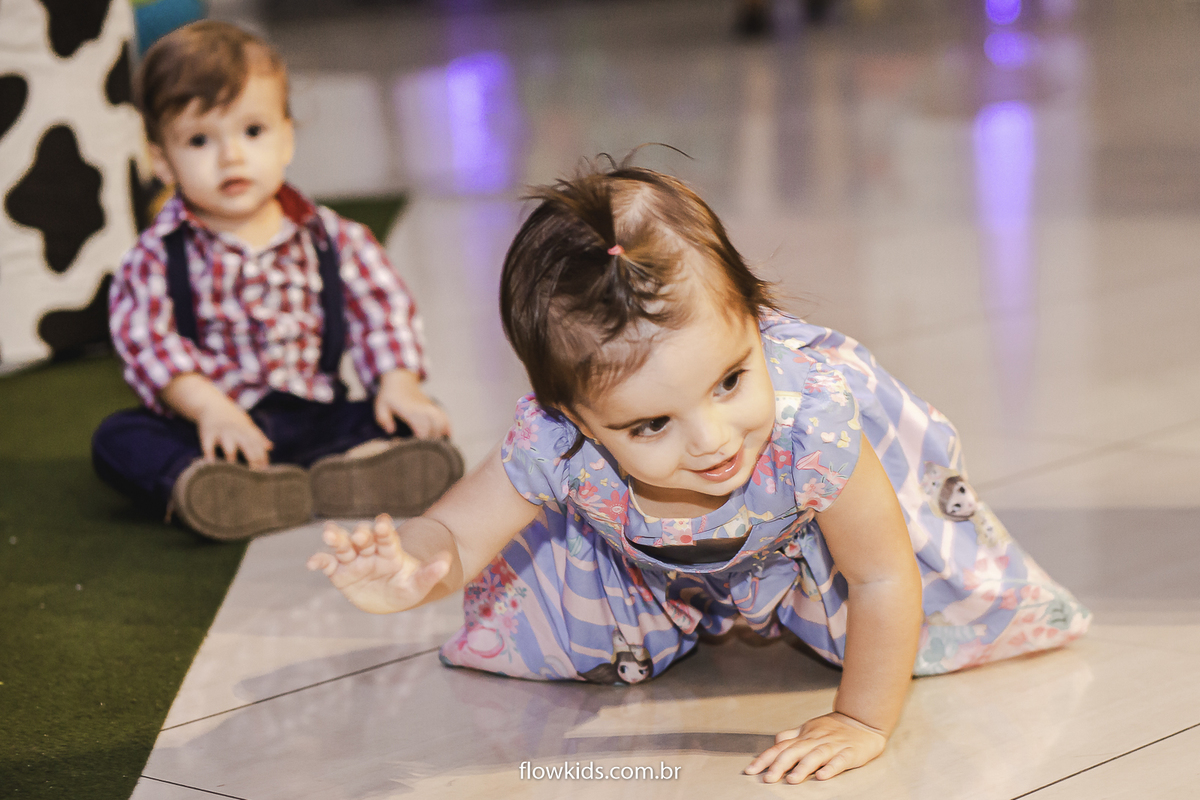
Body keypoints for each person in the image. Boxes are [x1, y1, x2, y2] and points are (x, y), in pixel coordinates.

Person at [308, 163, 1090, 783]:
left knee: (915, 621)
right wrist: (412, 569)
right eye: (651, 424)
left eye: (730, 380)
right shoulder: (556, 443)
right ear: (572, 418)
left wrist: (861, 719)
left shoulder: (809, 421)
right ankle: (671, 608)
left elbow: (882, 575)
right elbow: (456, 534)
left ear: (754, 315)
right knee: (555, 647)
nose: (714, 441)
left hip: (807, 551)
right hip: (644, 559)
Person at [92, 21, 463, 540]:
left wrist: (399, 385)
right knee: (118, 438)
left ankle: (352, 471)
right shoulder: (156, 256)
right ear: (163, 161)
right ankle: (210, 484)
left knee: (415, 416)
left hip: (319, 415)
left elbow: (382, 310)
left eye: (252, 131)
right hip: (215, 425)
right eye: (199, 140)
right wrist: (212, 411)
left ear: (286, 137)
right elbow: (148, 343)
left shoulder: (333, 238)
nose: (231, 156)